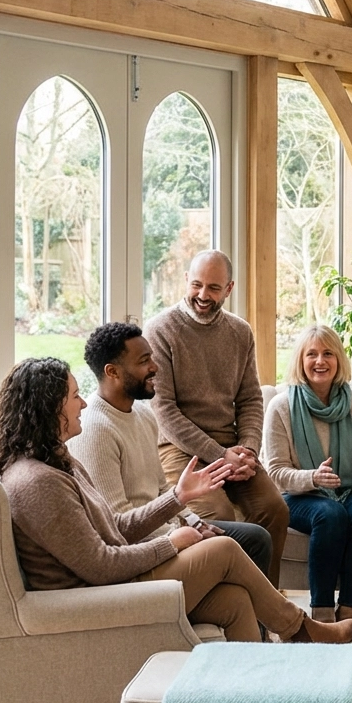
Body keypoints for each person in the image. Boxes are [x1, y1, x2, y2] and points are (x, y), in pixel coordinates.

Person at [0, 357, 352, 645]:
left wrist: (177, 498)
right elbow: (100, 566)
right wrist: (170, 544)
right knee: (225, 549)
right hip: (98, 601)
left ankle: (253, 699)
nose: (83, 403)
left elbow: (114, 528)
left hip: (115, 583)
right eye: (73, 396)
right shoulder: (38, 483)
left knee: (234, 601)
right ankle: (301, 628)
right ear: (48, 408)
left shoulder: (57, 462)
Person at [68, 322, 274, 578]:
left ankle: (265, 618)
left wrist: (196, 522)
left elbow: (163, 488)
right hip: (141, 548)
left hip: (168, 527)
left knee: (256, 538)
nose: (155, 367)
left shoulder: (143, 414)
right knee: (227, 547)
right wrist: (179, 535)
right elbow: (118, 525)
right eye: (144, 361)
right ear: (113, 372)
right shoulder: (95, 430)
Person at [143, 250, 289, 586]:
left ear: (229, 288)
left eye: (213, 288)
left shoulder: (240, 332)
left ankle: (263, 609)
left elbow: (251, 398)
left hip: (233, 450)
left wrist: (248, 450)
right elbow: (166, 413)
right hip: (181, 452)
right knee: (219, 517)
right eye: (196, 285)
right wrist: (220, 455)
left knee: (274, 508)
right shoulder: (160, 330)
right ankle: (227, 606)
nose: (203, 296)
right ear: (186, 281)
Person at [264, 325, 352, 622]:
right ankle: (322, 612)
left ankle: (350, 608)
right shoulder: (281, 406)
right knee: (330, 513)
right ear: (300, 360)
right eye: (311, 354)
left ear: (339, 360)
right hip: (296, 496)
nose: (320, 361)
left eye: (328, 353)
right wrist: (312, 477)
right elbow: (274, 473)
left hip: (346, 490)